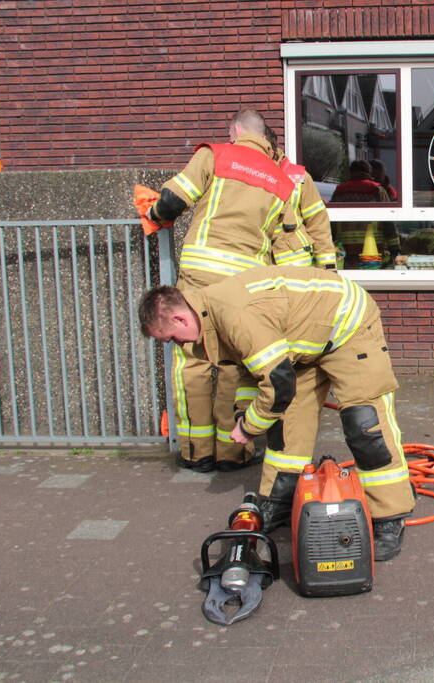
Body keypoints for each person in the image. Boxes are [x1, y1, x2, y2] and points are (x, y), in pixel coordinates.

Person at [138, 266, 415, 560]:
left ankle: (389, 517)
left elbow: (278, 383)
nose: (178, 346)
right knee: (286, 426)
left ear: (180, 317)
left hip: (348, 325)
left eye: (172, 338)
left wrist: (248, 428)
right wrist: (245, 415)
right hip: (303, 344)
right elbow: (251, 374)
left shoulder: (234, 314)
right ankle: (281, 500)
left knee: (365, 425)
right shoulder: (210, 322)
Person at [142, 108, 334, 473]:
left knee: (192, 363)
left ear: (235, 131)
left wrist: (152, 216)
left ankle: (195, 452)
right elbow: (290, 240)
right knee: (234, 366)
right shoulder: (282, 181)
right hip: (243, 285)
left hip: (199, 276)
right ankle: (234, 452)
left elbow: (172, 201)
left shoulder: (215, 155)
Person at [263, 125, 338, 269]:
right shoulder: (242, 174)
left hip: (294, 268)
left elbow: (318, 224)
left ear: (267, 146)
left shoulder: (300, 177)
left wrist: (329, 269)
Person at [329, 160, 399, 268]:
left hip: (347, 251)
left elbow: (331, 220)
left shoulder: (340, 191)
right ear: (369, 173)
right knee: (372, 280)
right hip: (372, 249)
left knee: (352, 281)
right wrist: (394, 249)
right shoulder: (377, 190)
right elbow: (388, 220)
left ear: (351, 172)